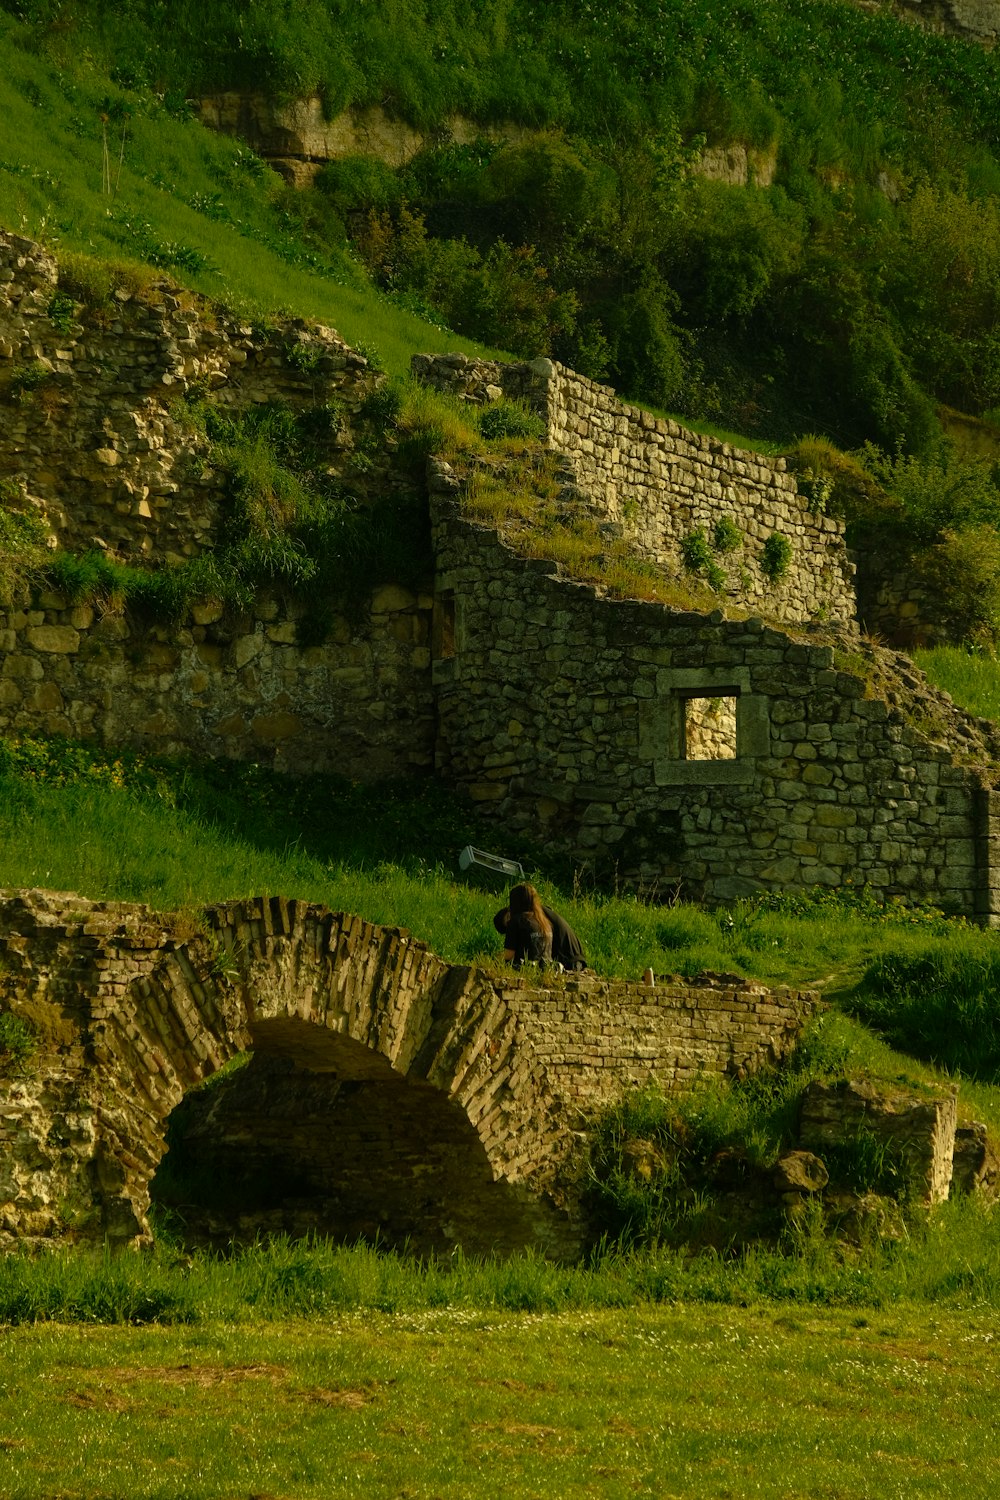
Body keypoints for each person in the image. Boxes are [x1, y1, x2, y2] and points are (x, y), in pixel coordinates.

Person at [494, 885, 588, 971]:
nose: (510, 920)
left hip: (567, 960)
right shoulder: (540, 915)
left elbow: (510, 958)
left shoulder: (530, 917)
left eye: (508, 917)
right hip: (573, 959)